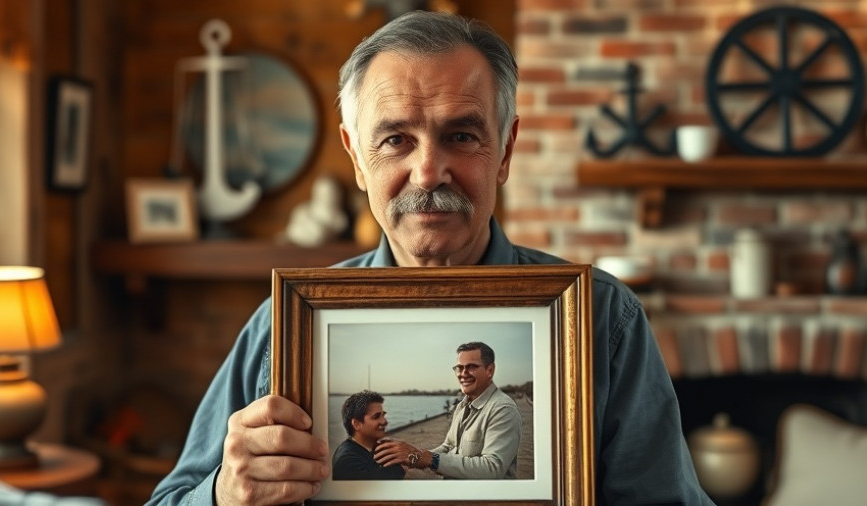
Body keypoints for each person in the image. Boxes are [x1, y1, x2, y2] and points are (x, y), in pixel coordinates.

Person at [148, 10, 714, 506]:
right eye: (396, 139)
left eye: (461, 136)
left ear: (505, 150)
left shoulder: (602, 320)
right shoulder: (282, 326)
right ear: (356, 157)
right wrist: (223, 494)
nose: (427, 173)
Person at [374, 342, 521, 479]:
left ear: (490, 370)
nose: (463, 373)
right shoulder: (461, 406)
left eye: (471, 367)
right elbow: (449, 446)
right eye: (459, 368)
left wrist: (428, 458)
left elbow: (493, 468)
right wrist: (413, 458)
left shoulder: (503, 409)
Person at [332, 391, 405, 480]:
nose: (384, 421)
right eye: (376, 417)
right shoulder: (347, 463)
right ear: (356, 424)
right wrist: (402, 467)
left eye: (383, 415)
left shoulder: (373, 448)